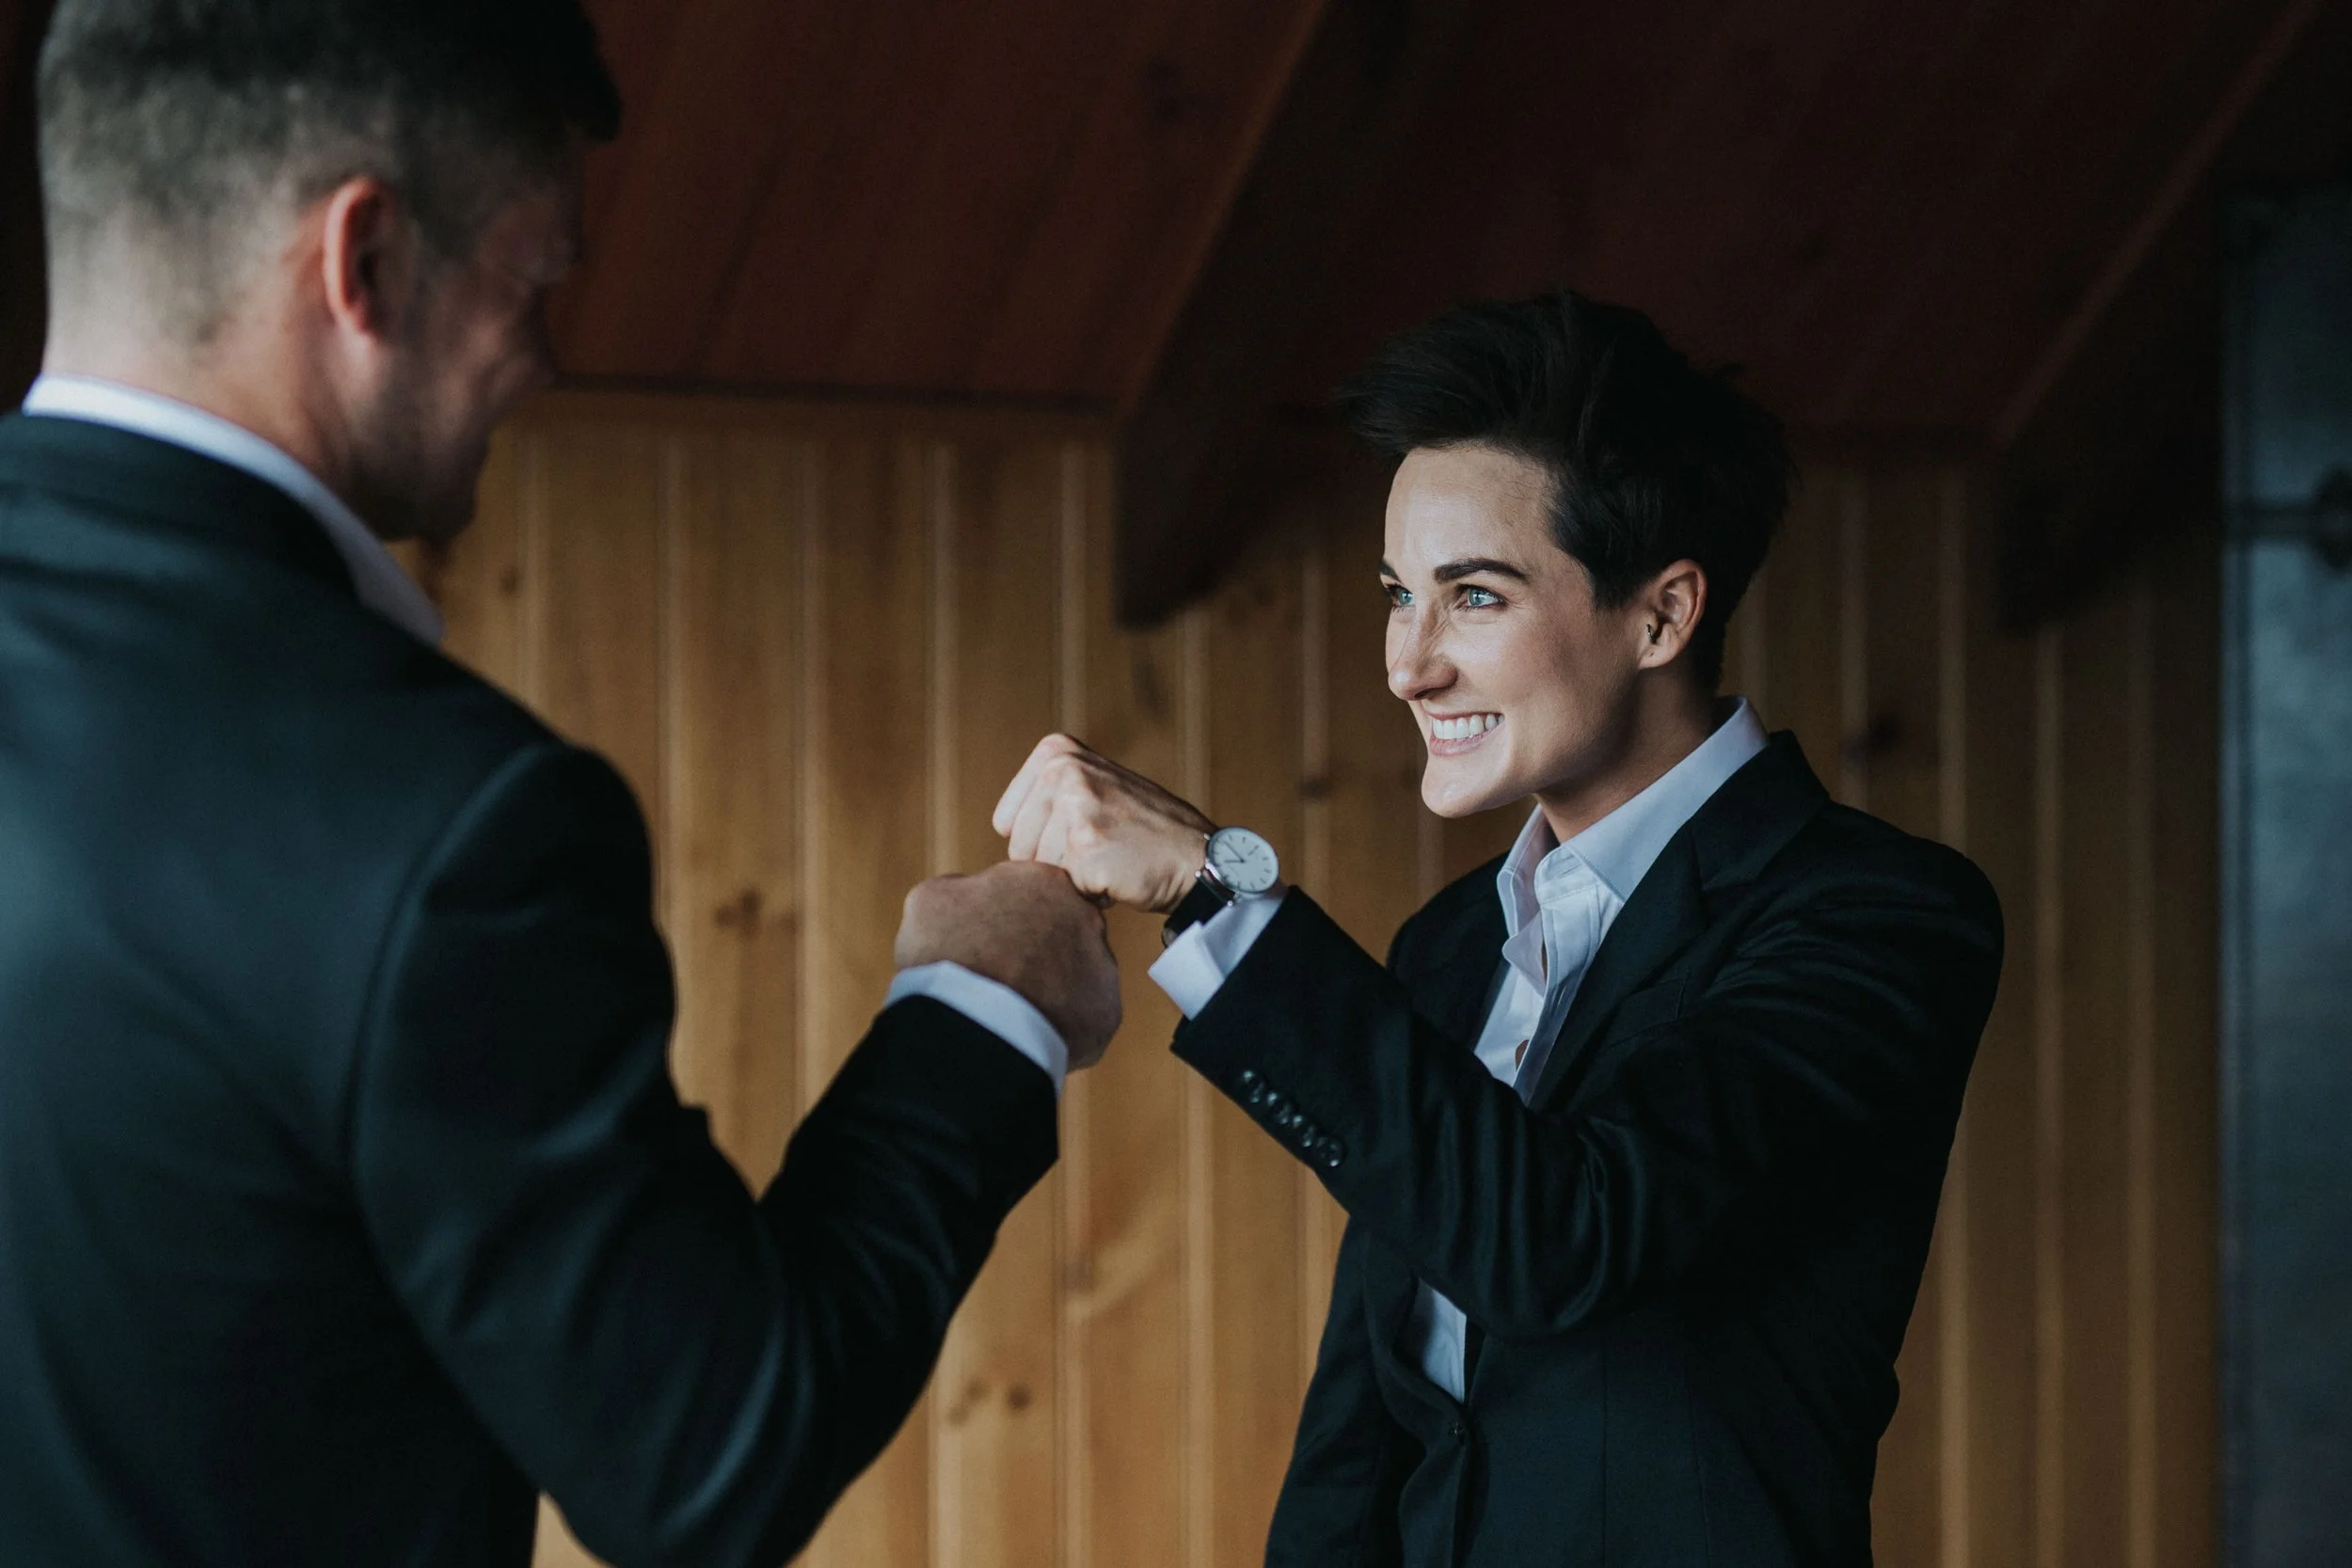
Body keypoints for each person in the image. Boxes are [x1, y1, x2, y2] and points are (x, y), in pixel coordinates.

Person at [0, 4, 1118, 1566]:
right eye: (535, 278)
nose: (546, 352)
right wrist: (980, 1009)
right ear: (365, 261)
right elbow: (713, 1457)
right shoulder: (440, 821)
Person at [994, 290, 2005, 1567]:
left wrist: (1217, 892)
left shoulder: (1879, 913)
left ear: (1662, 614)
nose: (1407, 662)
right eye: (1396, 593)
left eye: (1471, 596)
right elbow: (1363, 1421)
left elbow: (1565, 1233)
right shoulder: (1448, 944)